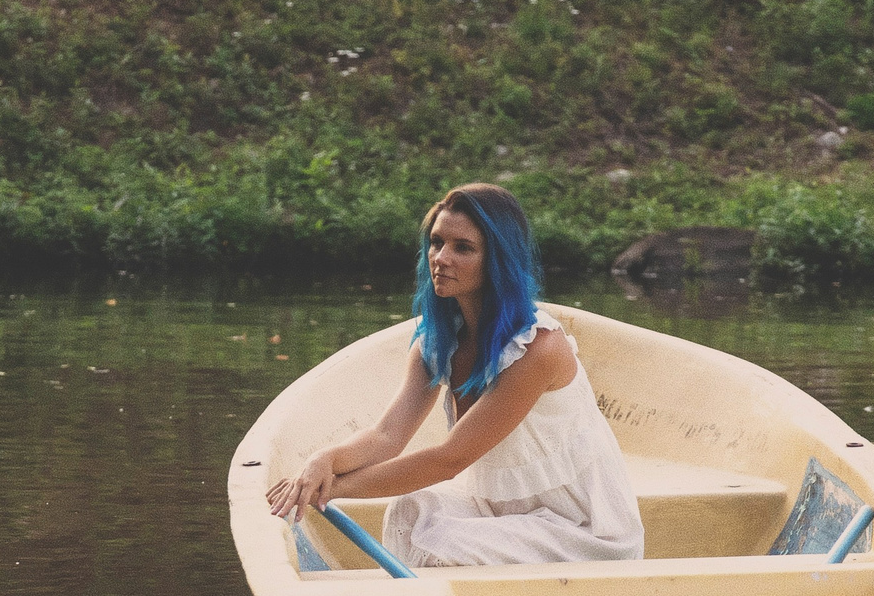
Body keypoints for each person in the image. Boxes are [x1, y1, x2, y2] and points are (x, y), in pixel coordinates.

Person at [266, 182, 644, 567]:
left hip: (581, 531)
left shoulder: (537, 349)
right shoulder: (438, 341)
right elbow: (386, 436)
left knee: (442, 541)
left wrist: (327, 490)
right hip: (507, 514)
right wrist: (322, 461)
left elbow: (448, 460)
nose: (441, 258)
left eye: (463, 248)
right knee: (411, 509)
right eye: (436, 242)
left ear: (497, 259)